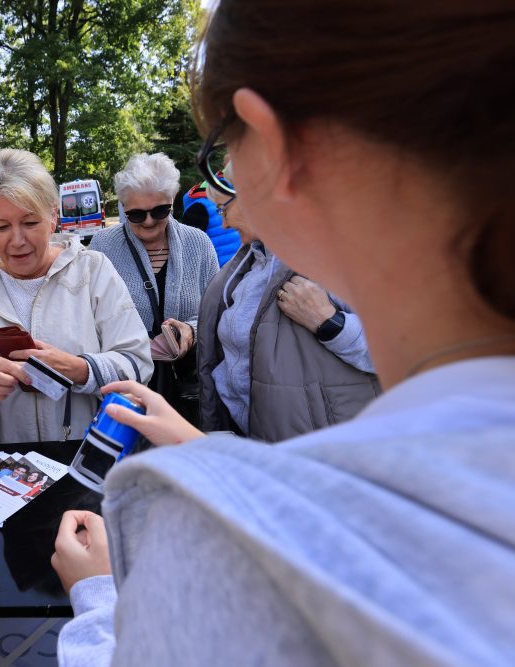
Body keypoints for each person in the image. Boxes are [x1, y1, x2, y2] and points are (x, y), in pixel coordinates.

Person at [52, 1, 515, 665]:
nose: (227, 195)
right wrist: (202, 447)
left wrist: (101, 601)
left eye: (223, 154)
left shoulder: (240, 555)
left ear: (277, 148)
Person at [0, 149, 153, 446]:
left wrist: (81, 370)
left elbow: (137, 363)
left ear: (53, 216)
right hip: (4, 462)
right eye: (2, 227)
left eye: (30, 223)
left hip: (83, 452)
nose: (17, 240)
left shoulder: (93, 271)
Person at [194, 165, 379, 441]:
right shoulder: (248, 265)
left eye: (223, 210)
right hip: (260, 444)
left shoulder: (338, 256)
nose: (224, 225)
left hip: (328, 450)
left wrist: (329, 322)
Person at [89, 153, 219, 424]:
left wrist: (190, 331)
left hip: (186, 390)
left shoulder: (199, 243)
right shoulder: (102, 247)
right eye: (136, 214)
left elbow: (218, 314)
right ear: (123, 207)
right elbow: (87, 320)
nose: (148, 221)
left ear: (173, 201)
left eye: (160, 211)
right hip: (126, 391)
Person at [181, 178, 242, 265]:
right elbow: (189, 250)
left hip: (237, 266)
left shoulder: (230, 200)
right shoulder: (197, 209)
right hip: (220, 270)